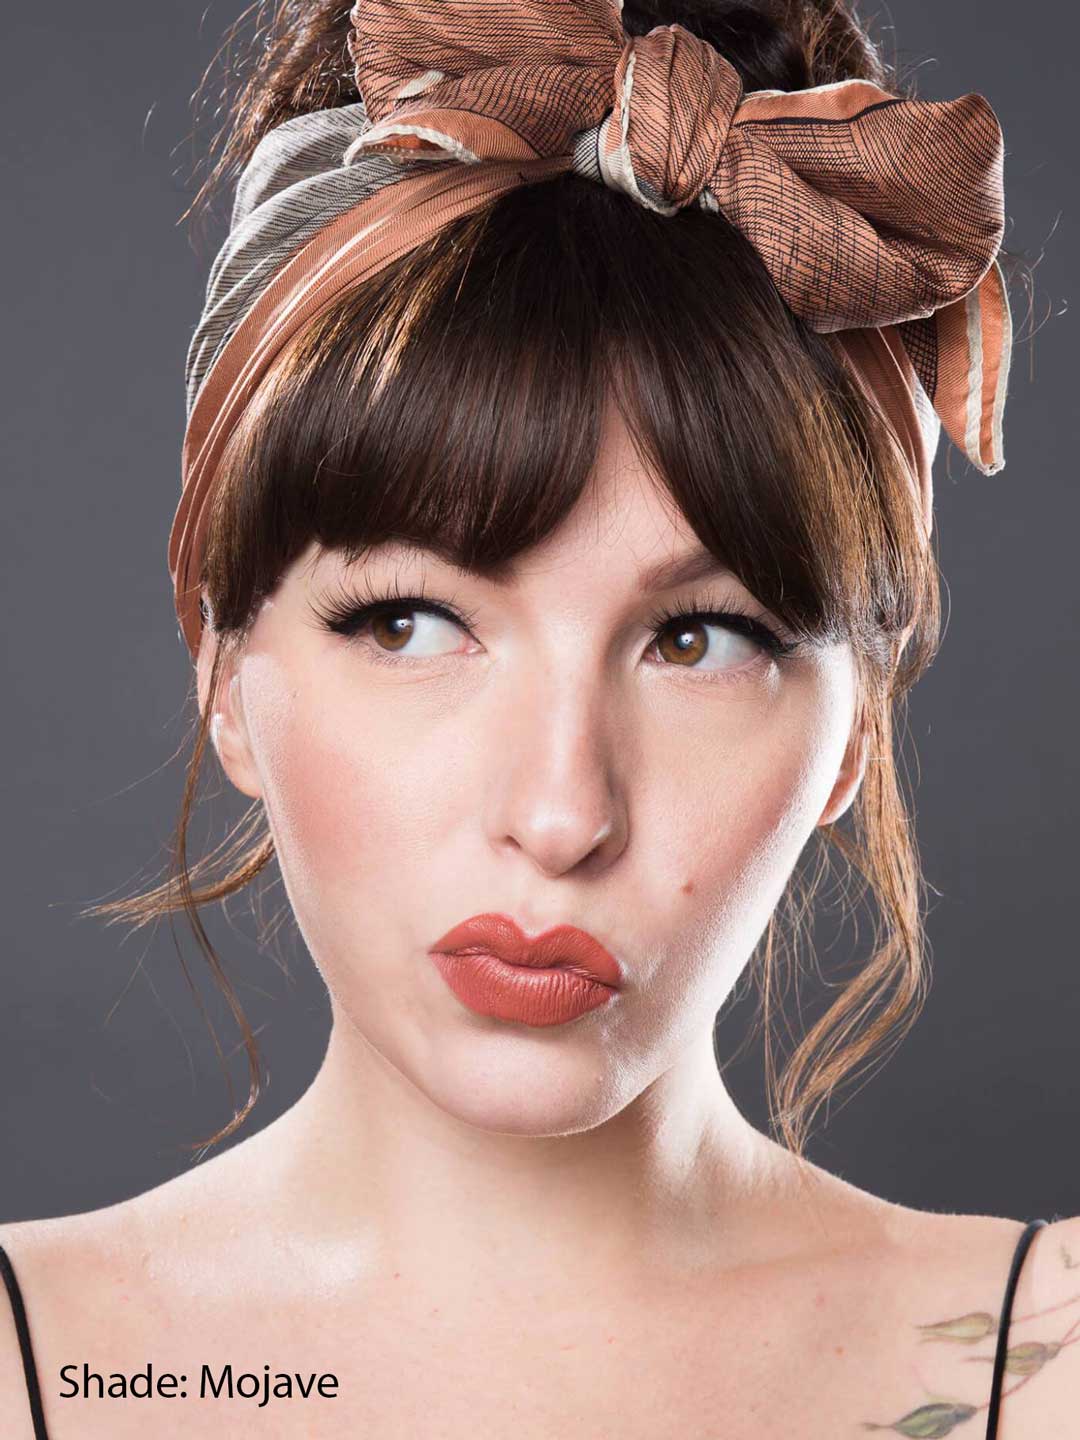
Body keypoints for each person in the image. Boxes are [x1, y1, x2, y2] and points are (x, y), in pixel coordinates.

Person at [1, 1, 1074, 1436]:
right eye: (409, 623)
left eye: (700, 640)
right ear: (224, 666)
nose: (561, 816)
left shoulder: (1048, 1370)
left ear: (858, 728)